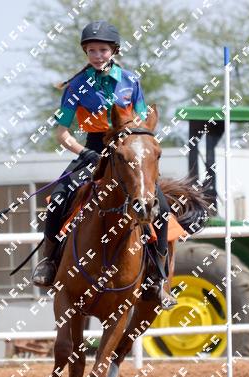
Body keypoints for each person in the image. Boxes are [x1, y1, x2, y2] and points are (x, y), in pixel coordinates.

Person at [31, 20, 177, 309]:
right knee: (58, 198)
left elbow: (141, 123)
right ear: (86, 52)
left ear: (114, 51)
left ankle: (158, 278)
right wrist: (84, 152)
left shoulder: (131, 81)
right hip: (93, 150)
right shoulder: (76, 86)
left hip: (127, 151)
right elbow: (62, 133)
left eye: (103, 50)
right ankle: (49, 262)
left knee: (161, 207)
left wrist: (134, 150)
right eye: (92, 50)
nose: (97, 55)